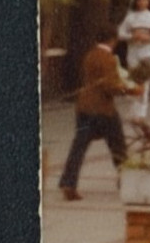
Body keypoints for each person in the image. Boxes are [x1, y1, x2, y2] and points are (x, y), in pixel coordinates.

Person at [58, 29, 142, 201]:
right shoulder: (108, 59)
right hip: (103, 109)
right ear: (113, 40)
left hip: (84, 107)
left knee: (79, 146)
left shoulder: (90, 55)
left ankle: (68, 182)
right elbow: (110, 86)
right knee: (118, 147)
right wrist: (130, 90)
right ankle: (126, 181)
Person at [116, 0, 150, 122]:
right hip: (133, 51)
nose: (142, 2)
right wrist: (132, 36)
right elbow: (120, 33)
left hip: (148, 51)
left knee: (145, 82)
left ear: (148, 2)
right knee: (133, 81)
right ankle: (133, 111)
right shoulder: (130, 17)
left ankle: (142, 112)